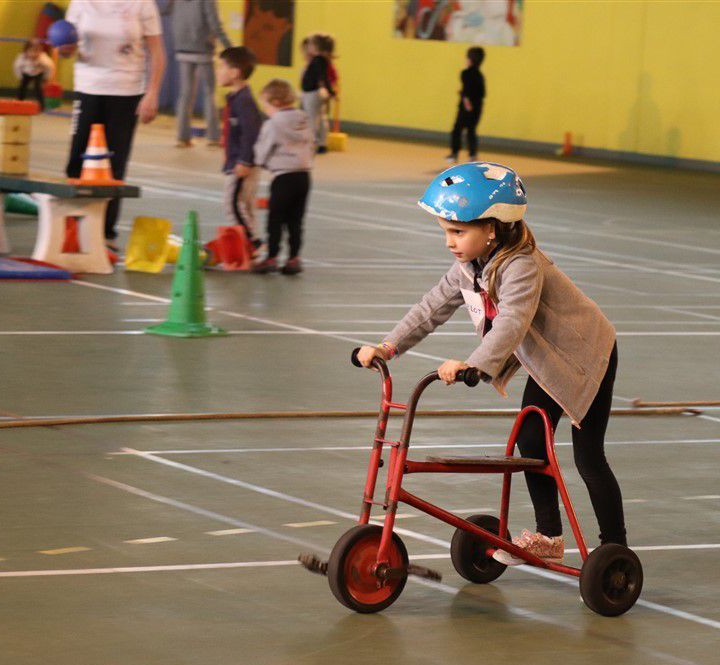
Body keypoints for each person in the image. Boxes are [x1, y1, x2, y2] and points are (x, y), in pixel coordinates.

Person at [356, 162, 628, 564]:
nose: (450, 241)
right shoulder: (470, 265)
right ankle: (549, 536)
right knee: (532, 441)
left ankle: (615, 547)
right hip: (547, 361)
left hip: (587, 356)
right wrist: (387, 346)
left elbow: (513, 322)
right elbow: (432, 306)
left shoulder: (523, 266)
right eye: (447, 231)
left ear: (493, 229)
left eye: (458, 231)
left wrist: (475, 365)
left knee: (587, 457)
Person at [58, 0, 165, 249]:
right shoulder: (81, 2)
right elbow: (69, 46)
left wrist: (152, 93)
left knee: (114, 164)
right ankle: (71, 226)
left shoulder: (142, 4)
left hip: (126, 91)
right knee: (77, 159)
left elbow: (157, 51)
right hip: (88, 88)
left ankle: (105, 234)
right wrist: (64, 49)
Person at [251, 79, 314, 275]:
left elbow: (264, 147)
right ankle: (294, 257)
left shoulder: (273, 124)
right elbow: (312, 143)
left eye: (266, 106)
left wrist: (258, 161)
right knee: (296, 219)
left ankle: (271, 257)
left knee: (275, 218)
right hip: (304, 176)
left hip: (283, 176)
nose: (266, 110)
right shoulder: (303, 120)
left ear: (276, 102)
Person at [161, 0, 231, 147]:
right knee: (209, 93)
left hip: (182, 47)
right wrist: (229, 48)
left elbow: (165, 12)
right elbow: (214, 22)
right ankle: (212, 137)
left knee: (185, 94)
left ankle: (182, 137)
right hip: (203, 48)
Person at [216, 46, 263, 255]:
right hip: (236, 159)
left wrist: (245, 161)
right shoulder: (235, 98)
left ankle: (253, 243)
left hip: (242, 163)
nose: (218, 71)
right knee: (244, 204)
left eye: (221, 67)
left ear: (234, 73)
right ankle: (253, 242)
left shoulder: (244, 101)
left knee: (232, 203)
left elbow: (251, 133)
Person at [446, 46, 486, 163]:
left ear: (470, 59)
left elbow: (466, 92)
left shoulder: (465, 73)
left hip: (466, 108)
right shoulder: (480, 75)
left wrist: (466, 102)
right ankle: (472, 155)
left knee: (457, 130)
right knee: (471, 131)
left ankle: (454, 154)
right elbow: (482, 93)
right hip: (477, 107)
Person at [299, 34, 331, 154]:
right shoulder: (317, 61)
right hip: (310, 92)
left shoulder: (319, 61)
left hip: (313, 93)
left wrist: (327, 89)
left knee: (312, 119)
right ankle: (320, 142)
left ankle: (312, 142)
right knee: (317, 118)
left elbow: (322, 78)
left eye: (310, 46)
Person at [13, 38, 55, 110]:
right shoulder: (22, 57)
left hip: (38, 73)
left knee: (38, 88)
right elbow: (16, 67)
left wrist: (47, 77)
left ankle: (42, 105)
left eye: (36, 51)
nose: (33, 54)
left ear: (40, 51)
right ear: (26, 51)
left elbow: (50, 67)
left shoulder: (42, 57)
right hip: (26, 73)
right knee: (22, 87)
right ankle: (19, 102)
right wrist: (20, 76)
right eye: (31, 51)